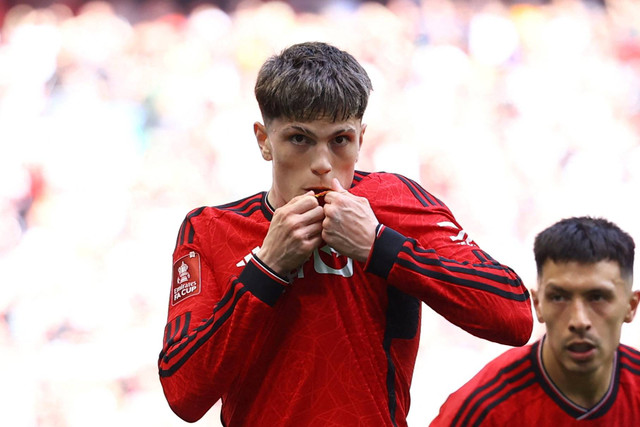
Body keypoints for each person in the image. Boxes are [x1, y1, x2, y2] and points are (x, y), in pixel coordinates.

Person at [158, 41, 533, 426]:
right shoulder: (209, 229)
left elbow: (514, 316)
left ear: (360, 139)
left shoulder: (393, 201)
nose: (322, 165)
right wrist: (266, 268)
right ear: (264, 140)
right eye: (299, 139)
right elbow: (183, 394)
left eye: (339, 140)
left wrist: (380, 245)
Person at [430, 216, 640, 426]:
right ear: (538, 305)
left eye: (597, 297)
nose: (579, 320)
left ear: (630, 306)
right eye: (558, 297)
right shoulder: (482, 411)